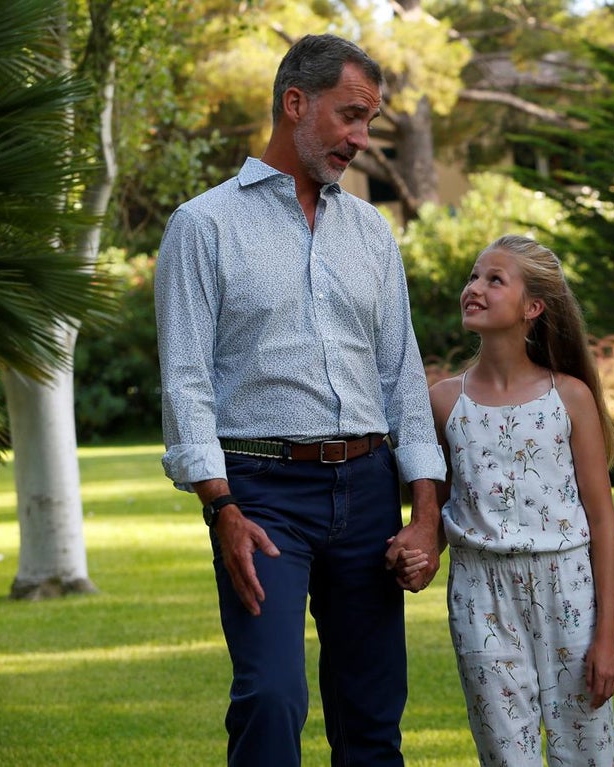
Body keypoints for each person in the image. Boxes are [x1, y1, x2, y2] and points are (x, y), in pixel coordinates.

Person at [153, 34, 446, 766]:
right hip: (260, 495)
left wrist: (427, 512)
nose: (362, 138)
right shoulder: (203, 226)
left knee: (373, 717)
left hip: (368, 492)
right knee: (270, 695)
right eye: (350, 115)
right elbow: (185, 380)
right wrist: (219, 505)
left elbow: (401, 378)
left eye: (370, 121)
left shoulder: (372, 234)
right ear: (295, 103)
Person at [423, 234, 614, 766]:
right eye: (473, 276)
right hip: (479, 594)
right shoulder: (444, 402)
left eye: (494, 279)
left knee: (585, 752)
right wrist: (417, 552)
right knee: (506, 756)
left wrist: (607, 637)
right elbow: (438, 514)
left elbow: (603, 522)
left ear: (533, 307)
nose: (475, 288)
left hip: (569, 592)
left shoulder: (569, 398)